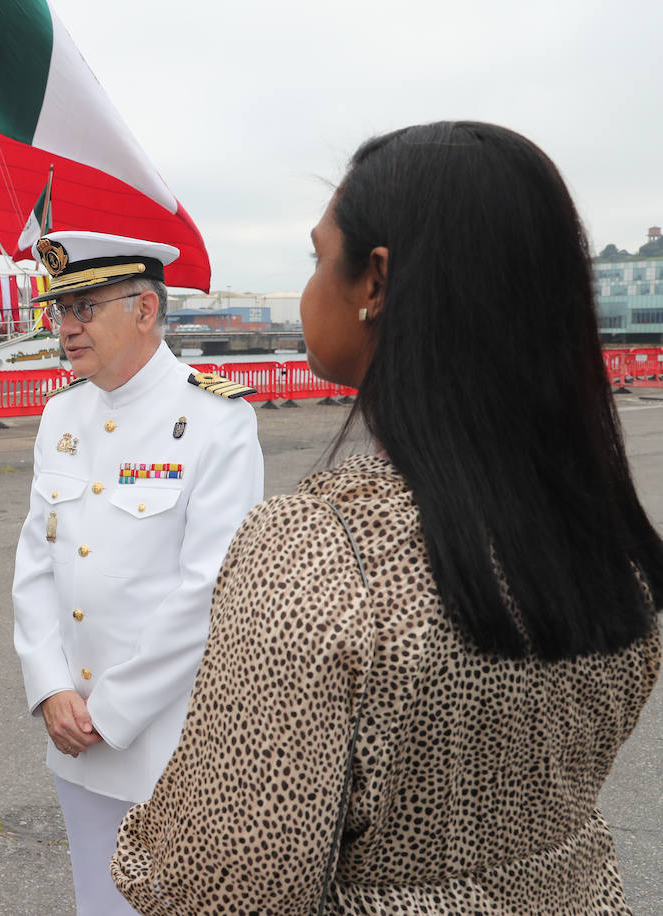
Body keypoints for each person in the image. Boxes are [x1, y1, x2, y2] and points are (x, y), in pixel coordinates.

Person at [112, 121, 663, 913]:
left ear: (375, 280)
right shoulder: (610, 534)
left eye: (315, 257)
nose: (308, 286)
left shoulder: (317, 554)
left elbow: (227, 885)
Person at [12, 231, 264, 916]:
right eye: (60, 310)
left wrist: (109, 712)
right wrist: (51, 688)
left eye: (84, 308)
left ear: (145, 309)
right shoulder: (62, 413)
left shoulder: (216, 419)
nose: (66, 327)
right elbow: (36, 559)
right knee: (97, 902)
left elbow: (209, 591)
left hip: (164, 740)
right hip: (72, 734)